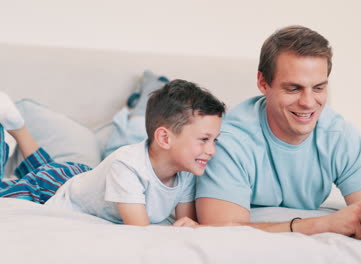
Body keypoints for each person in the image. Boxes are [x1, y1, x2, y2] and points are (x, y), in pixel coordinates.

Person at [195, 25, 361, 238]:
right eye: (293, 88)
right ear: (263, 83)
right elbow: (222, 231)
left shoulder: (338, 135)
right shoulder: (227, 140)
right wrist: (322, 224)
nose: (308, 102)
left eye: (319, 88)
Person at [2, 79, 226, 227]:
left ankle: (19, 129)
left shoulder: (186, 171)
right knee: (30, 180)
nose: (212, 150)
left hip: (90, 181)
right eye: (204, 140)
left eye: (215, 140)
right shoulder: (127, 167)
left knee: (47, 167)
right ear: (165, 138)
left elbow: (185, 222)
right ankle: (16, 129)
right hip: (54, 188)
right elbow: (142, 232)